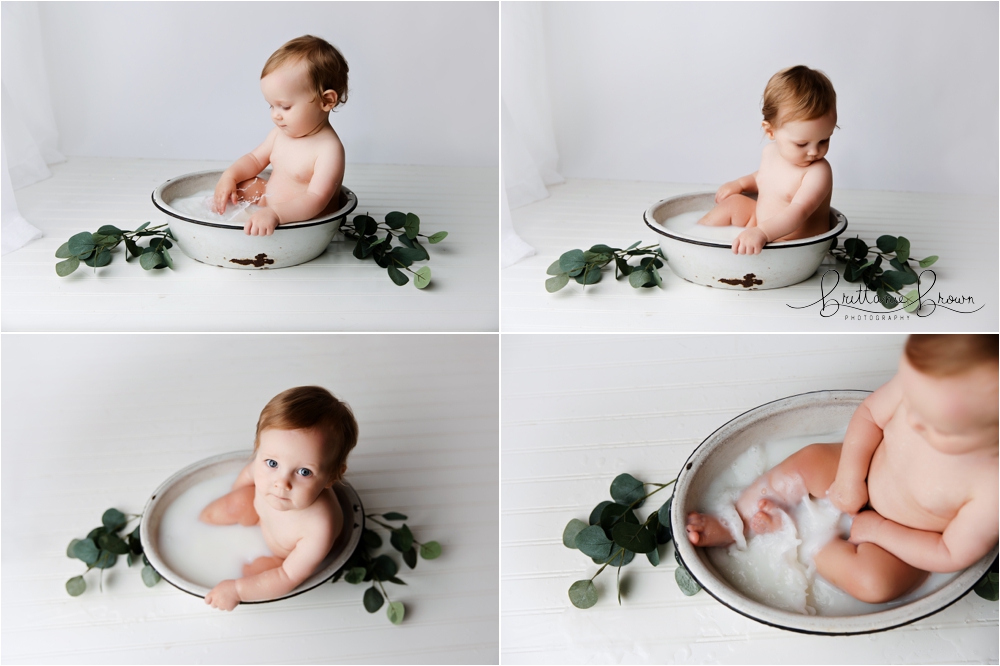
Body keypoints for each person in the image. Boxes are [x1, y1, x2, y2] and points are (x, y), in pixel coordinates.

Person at [687, 334, 999, 603]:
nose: (912, 420)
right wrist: (850, 476)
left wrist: (881, 531)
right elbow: (871, 416)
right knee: (809, 462)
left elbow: (949, 552)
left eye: (937, 427)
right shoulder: (930, 382)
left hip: (907, 539)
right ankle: (736, 521)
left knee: (874, 583)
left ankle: (812, 545)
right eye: (911, 400)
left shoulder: (991, 488)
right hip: (863, 471)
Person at [201, 386, 358, 611]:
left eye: (304, 472)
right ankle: (197, 524)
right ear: (259, 449)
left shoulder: (319, 527)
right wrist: (236, 496)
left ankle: (229, 587)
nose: (281, 483)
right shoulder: (261, 466)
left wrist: (237, 590)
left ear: (331, 477)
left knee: (256, 577)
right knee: (232, 503)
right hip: (260, 516)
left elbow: (287, 576)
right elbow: (248, 475)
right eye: (272, 463)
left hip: (282, 557)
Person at [213, 35, 348, 236]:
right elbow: (253, 159)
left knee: (270, 203)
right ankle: (213, 213)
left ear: (326, 101)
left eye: (285, 106)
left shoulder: (328, 150)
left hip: (302, 223)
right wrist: (229, 176)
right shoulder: (279, 134)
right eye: (271, 105)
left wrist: (275, 213)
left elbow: (316, 199)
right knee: (241, 186)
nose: (275, 115)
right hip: (269, 205)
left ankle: (261, 217)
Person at [698, 65, 837, 255]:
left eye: (824, 140)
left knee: (760, 228)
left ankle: (737, 243)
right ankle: (695, 238)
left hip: (794, 242)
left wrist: (762, 232)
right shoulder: (770, 153)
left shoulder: (818, 172)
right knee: (733, 203)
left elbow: (798, 212)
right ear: (770, 131)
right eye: (801, 144)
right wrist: (740, 183)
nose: (814, 152)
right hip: (762, 226)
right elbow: (763, 178)